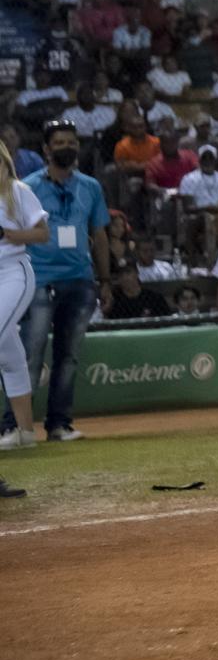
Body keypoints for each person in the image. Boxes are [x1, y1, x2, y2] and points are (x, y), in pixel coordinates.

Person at [1, 120, 109, 443]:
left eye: (71, 141)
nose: (67, 147)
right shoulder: (27, 185)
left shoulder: (90, 186)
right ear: (46, 150)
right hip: (39, 279)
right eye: (59, 142)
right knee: (30, 352)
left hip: (79, 278)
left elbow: (99, 233)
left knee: (68, 357)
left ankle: (58, 425)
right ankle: (14, 426)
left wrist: (104, 279)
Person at [0, 142, 50, 451]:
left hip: (14, 271)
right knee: (9, 355)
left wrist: (7, 234)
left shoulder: (16, 190)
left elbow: (42, 233)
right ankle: (25, 432)